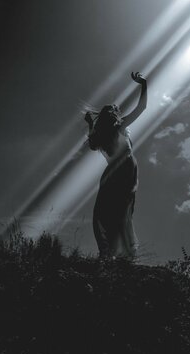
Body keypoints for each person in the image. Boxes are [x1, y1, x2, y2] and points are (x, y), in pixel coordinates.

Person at [85, 71, 147, 258]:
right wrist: (144, 84)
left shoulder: (101, 136)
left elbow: (92, 144)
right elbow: (141, 108)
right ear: (114, 115)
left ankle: (112, 251)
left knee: (107, 209)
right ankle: (120, 252)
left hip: (113, 172)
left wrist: (91, 125)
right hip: (126, 168)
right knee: (119, 209)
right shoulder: (119, 128)